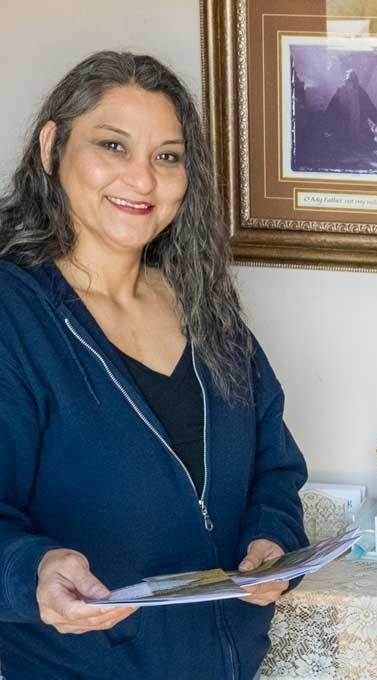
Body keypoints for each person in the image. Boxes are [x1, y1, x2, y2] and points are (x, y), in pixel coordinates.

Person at [0, 52, 308, 679]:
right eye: (113, 146)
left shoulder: (206, 310)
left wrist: (271, 538)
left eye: (167, 156)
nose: (142, 180)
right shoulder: (13, 315)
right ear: (52, 146)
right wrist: (29, 570)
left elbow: (273, 467)